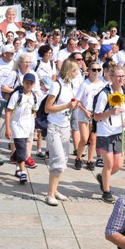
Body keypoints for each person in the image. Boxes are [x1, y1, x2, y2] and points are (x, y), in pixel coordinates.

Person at [94, 66, 125, 203]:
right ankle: (106, 190)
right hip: (105, 132)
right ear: (111, 78)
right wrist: (111, 112)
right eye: (118, 76)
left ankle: (104, 178)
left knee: (119, 165)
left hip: (119, 133)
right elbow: (96, 116)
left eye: (123, 76)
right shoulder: (104, 94)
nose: (121, 78)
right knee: (109, 163)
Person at [44, 60, 79, 206]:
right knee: (57, 160)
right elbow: (48, 108)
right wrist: (66, 105)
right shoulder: (56, 85)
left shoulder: (69, 85)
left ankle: (55, 189)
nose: (78, 73)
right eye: (76, 70)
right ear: (70, 71)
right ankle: (49, 194)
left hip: (65, 126)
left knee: (63, 159)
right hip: (54, 126)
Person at [5, 73, 38, 184]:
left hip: (28, 126)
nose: (28, 85)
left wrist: (35, 127)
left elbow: (34, 111)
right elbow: (8, 111)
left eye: (31, 83)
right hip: (16, 125)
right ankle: (23, 172)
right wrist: (8, 128)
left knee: (20, 149)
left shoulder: (34, 96)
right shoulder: (16, 95)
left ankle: (16, 164)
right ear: (23, 82)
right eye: (27, 82)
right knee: (22, 148)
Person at [74, 61, 106, 171]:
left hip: (96, 114)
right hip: (84, 113)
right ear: (89, 71)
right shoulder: (85, 84)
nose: (96, 72)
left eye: (98, 70)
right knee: (84, 138)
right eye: (94, 70)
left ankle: (90, 159)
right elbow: (77, 101)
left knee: (93, 139)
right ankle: (78, 157)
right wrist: (85, 111)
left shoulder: (102, 85)